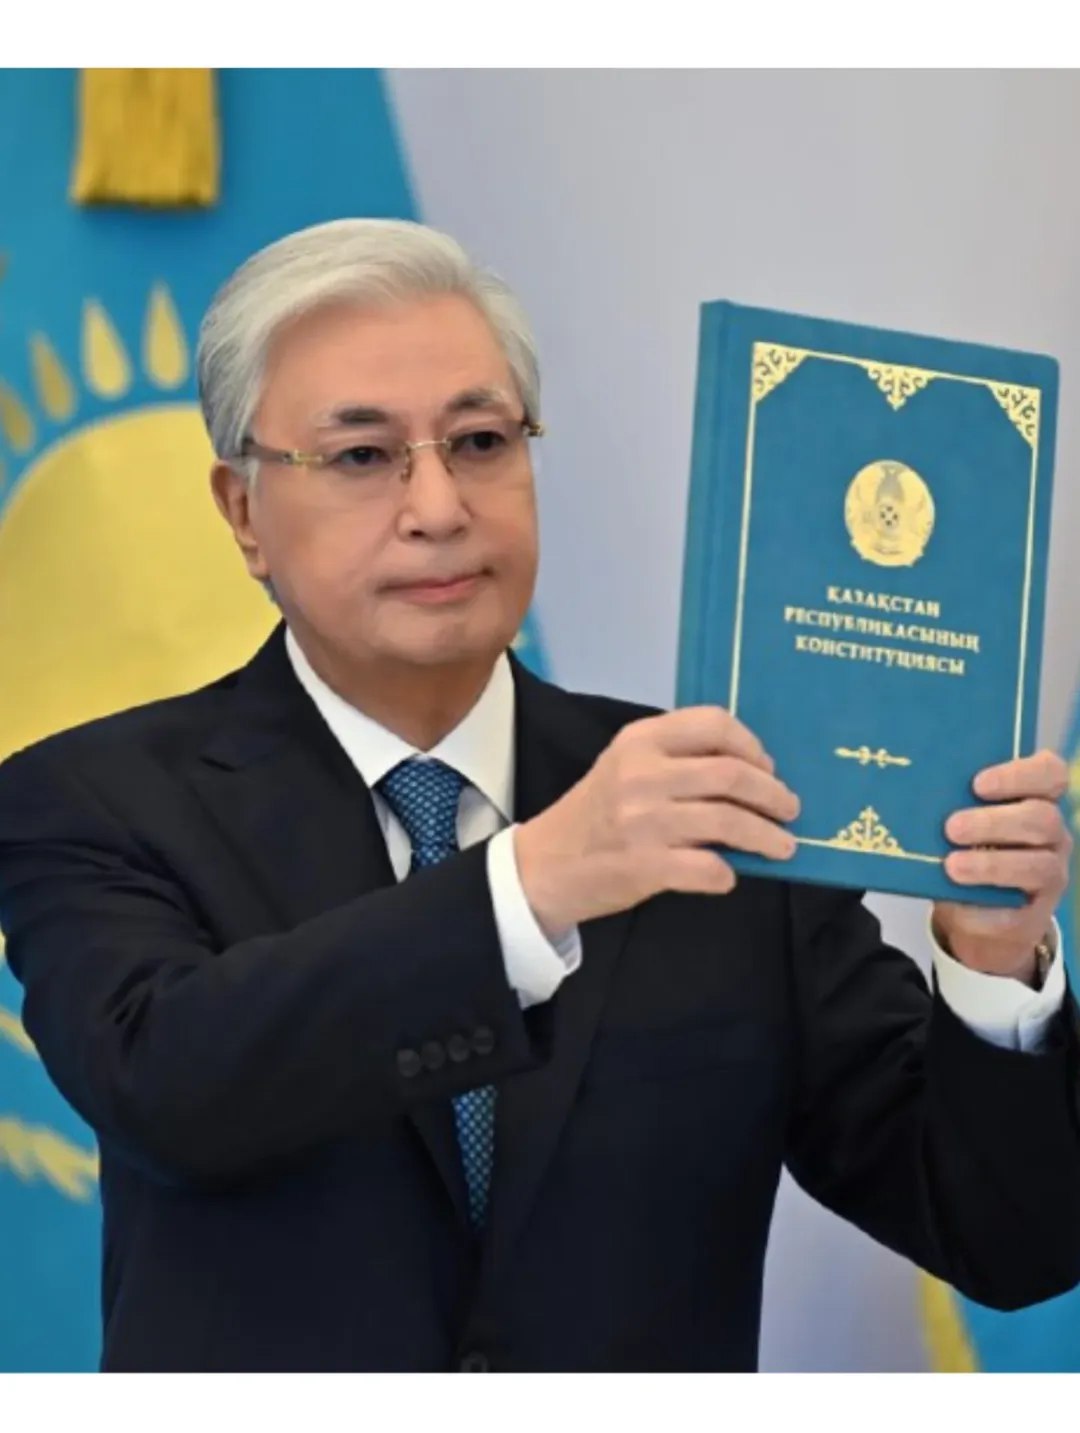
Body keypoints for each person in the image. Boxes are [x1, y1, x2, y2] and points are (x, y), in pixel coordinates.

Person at [0, 218, 1077, 1374]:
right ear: (243, 511)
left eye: (479, 441)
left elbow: (1006, 1239)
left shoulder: (723, 802)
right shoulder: (92, 800)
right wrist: (530, 886)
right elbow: (171, 1086)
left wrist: (993, 966)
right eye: (362, 455)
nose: (438, 506)